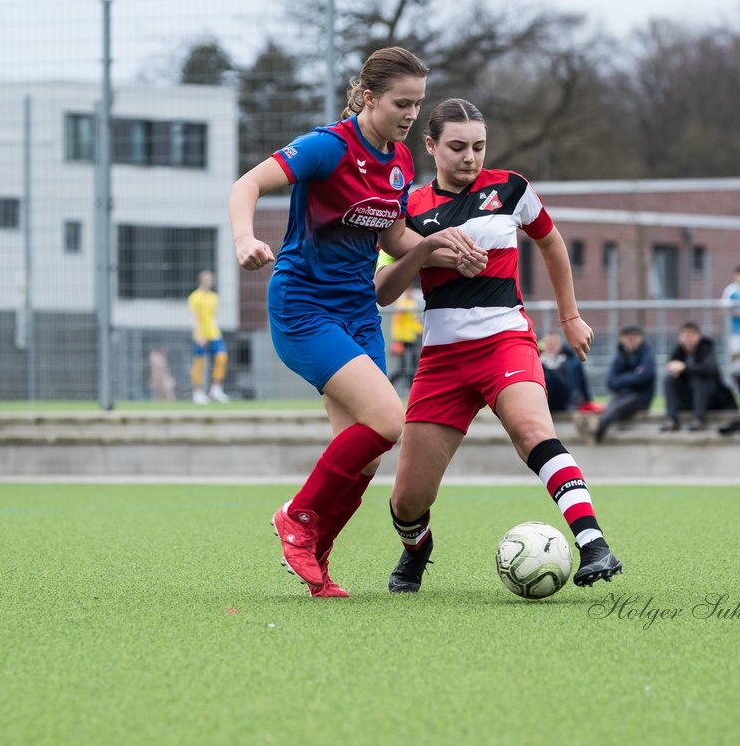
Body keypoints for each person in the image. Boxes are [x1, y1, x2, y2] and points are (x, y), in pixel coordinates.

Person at [228, 47, 484, 598]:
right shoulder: (326, 147)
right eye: (402, 103)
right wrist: (245, 240)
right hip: (303, 308)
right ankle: (295, 518)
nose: (413, 114)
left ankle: (314, 558)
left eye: (418, 103)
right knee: (389, 420)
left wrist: (444, 250)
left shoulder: (399, 162)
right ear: (369, 97)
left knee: (364, 452)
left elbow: (391, 238)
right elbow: (243, 186)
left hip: (358, 311)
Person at [375, 97, 622, 593]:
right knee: (407, 500)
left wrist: (570, 316)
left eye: (479, 147)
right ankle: (416, 549)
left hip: (504, 341)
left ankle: (593, 543)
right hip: (442, 359)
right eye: (458, 147)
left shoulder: (512, 188)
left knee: (533, 430)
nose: (470, 157)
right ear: (430, 145)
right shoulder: (410, 207)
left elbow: (551, 243)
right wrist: (429, 251)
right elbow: (382, 290)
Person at [661, 320, 736, 432]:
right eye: (685, 335)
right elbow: (672, 368)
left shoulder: (707, 348)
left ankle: (698, 420)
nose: (688, 339)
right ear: (680, 338)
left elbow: (708, 369)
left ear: (698, 336)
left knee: (699, 379)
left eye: (691, 335)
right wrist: (673, 368)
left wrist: (684, 368)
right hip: (688, 397)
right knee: (669, 379)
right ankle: (671, 419)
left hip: (711, 396)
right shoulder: (678, 351)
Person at [593, 325, 657, 444]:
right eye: (628, 337)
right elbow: (611, 382)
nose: (631, 340)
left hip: (640, 397)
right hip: (621, 395)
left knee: (616, 408)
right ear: (622, 339)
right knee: (611, 407)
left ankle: (597, 431)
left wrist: (621, 379)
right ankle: (596, 428)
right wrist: (632, 376)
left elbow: (644, 377)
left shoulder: (647, 354)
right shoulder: (620, 356)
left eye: (634, 337)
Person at [188, 270, 229, 404]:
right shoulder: (194, 297)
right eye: (207, 279)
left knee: (221, 357)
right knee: (199, 363)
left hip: (214, 333)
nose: (210, 282)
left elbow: (213, 317)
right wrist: (199, 335)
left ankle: (215, 389)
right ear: (201, 281)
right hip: (201, 334)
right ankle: (197, 392)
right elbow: (195, 318)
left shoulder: (214, 297)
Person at [540, 332, 591, 413]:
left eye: (555, 343)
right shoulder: (536, 362)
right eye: (548, 343)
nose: (551, 346)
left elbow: (582, 383)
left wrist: (588, 402)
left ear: (560, 345)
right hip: (543, 401)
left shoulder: (572, 361)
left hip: (567, 402)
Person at [388, 286, 423, 390]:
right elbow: (397, 322)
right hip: (402, 339)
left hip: (411, 338)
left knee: (412, 366)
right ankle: (389, 384)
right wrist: (397, 339)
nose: (410, 293)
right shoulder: (402, 304)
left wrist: (421, 331)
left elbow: (413, 322)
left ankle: (411, 388)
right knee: (403, 367)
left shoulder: (411, 304)